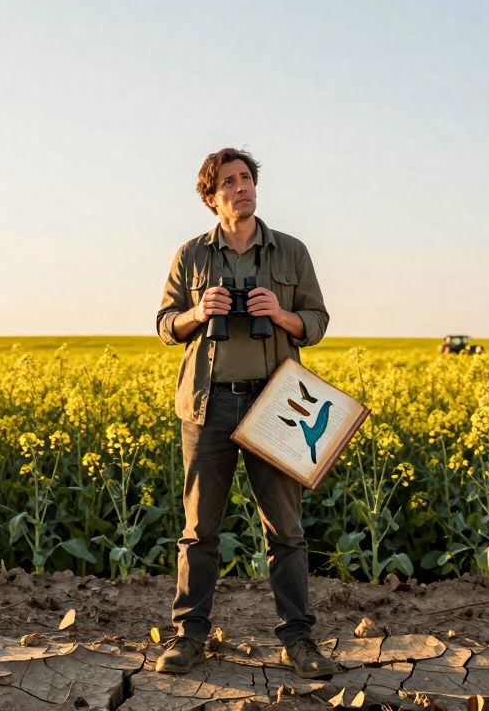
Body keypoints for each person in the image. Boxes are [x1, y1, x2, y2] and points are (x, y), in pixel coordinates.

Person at [154, 147, 338, 679]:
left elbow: (319, 321)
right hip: (208, 403)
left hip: (275, 404)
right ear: (211, 197)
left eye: (247, 178)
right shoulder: (191, 254)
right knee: (199, 531)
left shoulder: (291, 252)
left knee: (286, 531)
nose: (242, 188)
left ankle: (299, 641)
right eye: (229, 182)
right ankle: (188, 637)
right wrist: (197, 312)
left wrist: (280, 314)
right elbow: (165, 324)